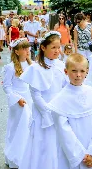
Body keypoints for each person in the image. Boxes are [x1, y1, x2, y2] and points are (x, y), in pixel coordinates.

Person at [48, 53, 92, 169]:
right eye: (74, 71)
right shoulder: (60, 100)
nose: (78, 75)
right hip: (71, 152)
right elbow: (63, 131)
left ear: (87, 71)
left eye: (82, 71)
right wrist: (80, 155)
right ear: (66, 71)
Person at [20, 31, 67, 169]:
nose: (57, 51)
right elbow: (36, 94)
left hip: (59, 110)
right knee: (44, 142)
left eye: (59, 47)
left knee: (59, 143)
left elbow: (65, 87)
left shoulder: (61, 65)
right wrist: (47, 112)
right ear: (43, 47)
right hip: (44, 112)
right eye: (53, 47)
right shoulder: (36, 68)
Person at [2, 38, 33, 168]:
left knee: (29, 127)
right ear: (16, 51)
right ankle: (14, 156)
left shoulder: (32, 65)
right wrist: (16, 98)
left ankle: (27, 156)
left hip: (30, 98)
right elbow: (7, 86)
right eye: (24, 49)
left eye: (28, 48)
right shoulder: (10, 67)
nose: (27, 51)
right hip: (18, 100)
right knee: (17, 127)